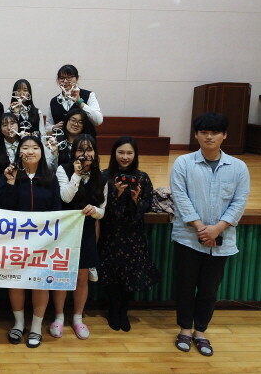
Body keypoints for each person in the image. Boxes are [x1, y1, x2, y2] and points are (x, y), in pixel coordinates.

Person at [170, 112, 249, 357]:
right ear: (196, 135)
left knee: (209, 289)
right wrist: (201, 227)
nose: (209, 137)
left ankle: (201, 331)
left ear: (224, 135)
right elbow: (180, 198)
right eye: (204, 132)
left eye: (215, 132)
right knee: (185, 286)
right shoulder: (183, 163)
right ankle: (185, 329)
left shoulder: (238, 167)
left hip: (221, 240)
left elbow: (239, 202)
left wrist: (217, 228)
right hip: (188, 237)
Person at [0, 135, 62, 348]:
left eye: (35, 147)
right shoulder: (11, 175)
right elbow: (4, 207)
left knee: (40, 283)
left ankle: (36, 326)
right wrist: (10, 182)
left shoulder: (50, 178)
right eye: (25, 147)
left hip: (44, 242)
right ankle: (19, 323)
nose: (30, 151)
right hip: (16, 241)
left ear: (42, 152)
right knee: (17, 281)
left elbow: (57, 210)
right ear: (19, 152)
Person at [99, 136, 160, 332]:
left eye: (129, 153)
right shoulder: (104, 176)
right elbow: (101, 207)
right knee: (112, 275)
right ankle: (113, 311)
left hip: (133, 235)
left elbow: (147, 205)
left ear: (135, 155)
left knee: (130, 274)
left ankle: (123, 311)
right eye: (121, 152)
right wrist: (116, 195)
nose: (125, 157)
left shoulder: (142, 177)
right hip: (111, 234)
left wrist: (135, 199)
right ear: (114, 154)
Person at [53, 134, 107, 340]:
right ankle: (59, 316)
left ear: (95, 152)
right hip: (65, 230)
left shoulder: (101, 176)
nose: (85, 154)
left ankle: (77, 317)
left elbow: (102, 210)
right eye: (80, 150)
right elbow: (65, 197)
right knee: (61, 275)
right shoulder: (63, 169)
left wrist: (94, 210)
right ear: (74, 152)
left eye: (89, 149)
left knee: (82, 277)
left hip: (86, 230)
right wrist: (76, 174)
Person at [46, 64, 103, 133]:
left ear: (77, 78)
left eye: (69, 77)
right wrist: (53, 128)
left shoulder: (89, 95)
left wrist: (80, 102)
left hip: (84, 138)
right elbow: (47, 126)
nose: (65, 81)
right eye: (62, 78)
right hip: (61, 138)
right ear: (58, 80)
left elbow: (98, 121)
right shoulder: (54, 101)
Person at [0, 112, 21, 180]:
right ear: (0, 129)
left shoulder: (24, 144)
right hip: (4, 183)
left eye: (12, 123)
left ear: (18, 125)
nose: (9, 128)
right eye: (5, 125)